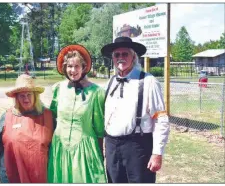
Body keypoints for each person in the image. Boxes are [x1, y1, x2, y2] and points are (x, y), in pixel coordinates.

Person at [101, 36, 170, 183]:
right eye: (117, 55)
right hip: (112, 147)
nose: (120, 58)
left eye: (125, 54)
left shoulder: (148, 81)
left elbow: (161, 120)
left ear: (133, 57)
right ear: (113, 58)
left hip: (137, 148)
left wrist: (157, 153)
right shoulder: (110, 82)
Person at [47, 44, 106, 183]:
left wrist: (100, 151)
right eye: (69, 66)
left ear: (84, 67)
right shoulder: (58, 88)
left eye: (77, 66)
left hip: (85, 149)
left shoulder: (96, 92)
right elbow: (52, 116)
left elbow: (99, 127)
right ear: (64, 68)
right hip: (60, 147)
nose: (73, 70)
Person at [0, 74, 54, 183]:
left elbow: (55, 145)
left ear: (35, 95)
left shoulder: (48, 116)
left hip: (40, 173)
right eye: (22, 95)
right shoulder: (7, 116)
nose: (26, 99)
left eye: (29, 94)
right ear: (16, 97)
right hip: (11, 172)